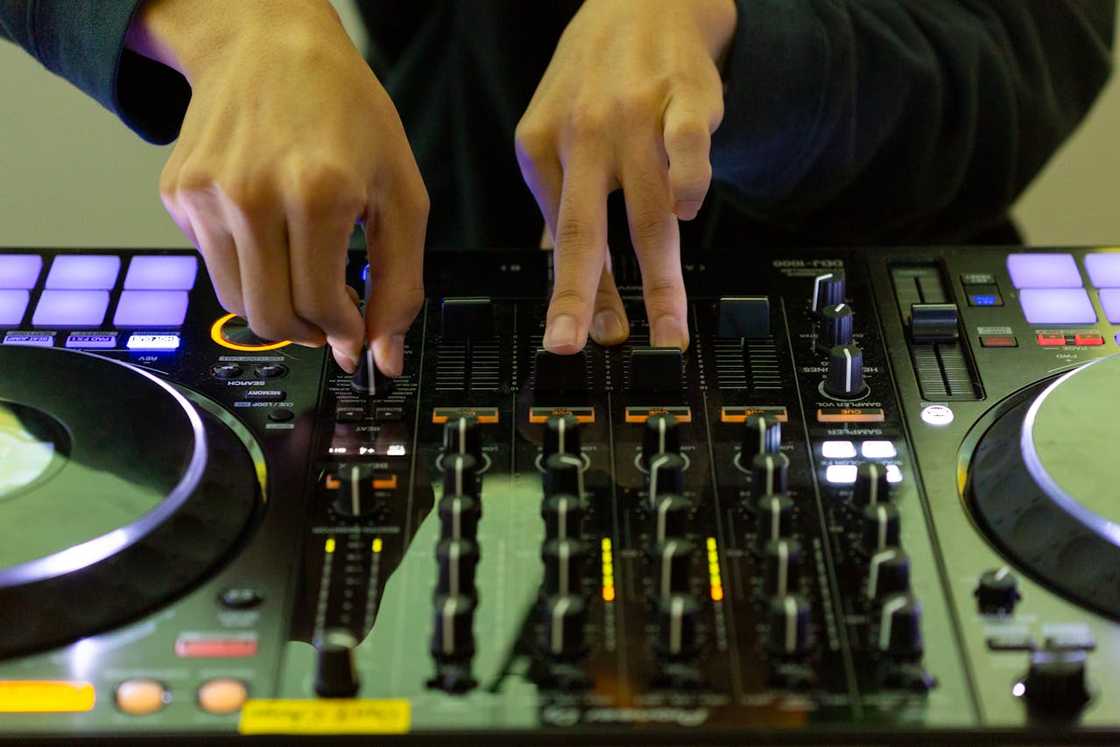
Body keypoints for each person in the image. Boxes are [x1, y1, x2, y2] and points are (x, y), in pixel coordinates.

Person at [2, 1, 1114, 376]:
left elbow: (1037, 37)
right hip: (450, 261)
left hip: (895, 259)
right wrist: (237, 26)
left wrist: (730, 33)